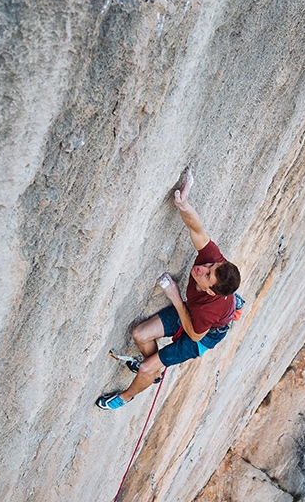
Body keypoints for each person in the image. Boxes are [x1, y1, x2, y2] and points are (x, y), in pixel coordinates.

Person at [97, 170, 241, 410]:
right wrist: (183, 205)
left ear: (212, 292)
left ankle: (126, 397)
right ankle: (153, 374)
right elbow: (197, 230)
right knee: (140, 335)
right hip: (195, 316)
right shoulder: (213, 263)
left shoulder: (209, 309)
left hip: (204, 334)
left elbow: (195, 334)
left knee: (145, 367)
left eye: (207, 274)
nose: (202, 268)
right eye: (210, 266)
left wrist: (175, 296)